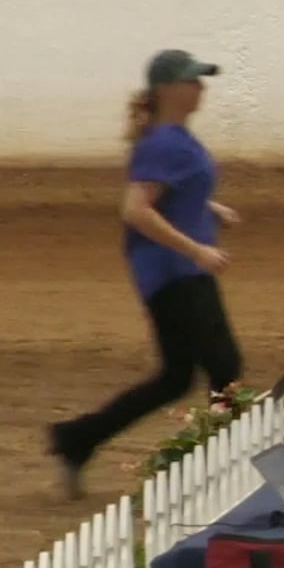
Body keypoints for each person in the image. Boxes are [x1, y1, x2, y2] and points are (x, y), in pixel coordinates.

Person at [48, 49, 241, 499]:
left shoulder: (174, 137)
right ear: (168, 90)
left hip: (176, 270)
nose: (201, 88)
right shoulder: (165, 143)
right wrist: (198, 249)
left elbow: (169, 194)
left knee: (175, 378)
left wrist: (208, 208)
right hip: (175, 271)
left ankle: (76, 440)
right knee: (224, 368)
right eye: (193, 81)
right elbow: (135, 210)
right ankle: (221, 470)